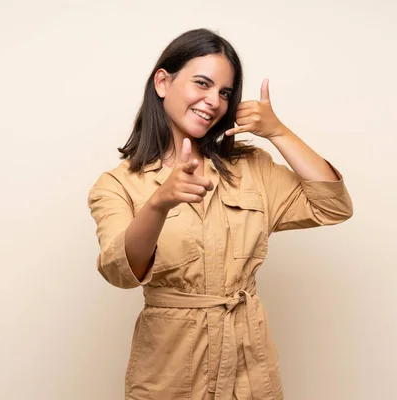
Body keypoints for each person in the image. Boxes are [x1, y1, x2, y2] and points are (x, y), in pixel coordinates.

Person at [87, 28, 353, 400]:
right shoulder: (116, 185)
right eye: (202, 84)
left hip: (250, 371)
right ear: (163, 82)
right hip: (170, 373)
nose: (214, 101)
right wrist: (160, 203)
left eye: (225, 93)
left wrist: (278, 132)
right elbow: (119, 272)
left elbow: (333, 206)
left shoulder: (250, 167)